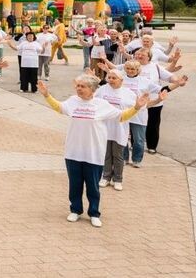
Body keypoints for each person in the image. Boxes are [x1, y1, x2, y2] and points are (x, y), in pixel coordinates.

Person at [36, 76, 155, 228]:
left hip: (94, 153)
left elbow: (121, 116)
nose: (79, 88)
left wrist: (136, 107)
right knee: (75, 184)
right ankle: (76, 210)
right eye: (78, 86)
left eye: (83, 86)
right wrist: (46, 95)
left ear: (92, 89)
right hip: (73, 151)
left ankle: (94, 213)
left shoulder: (101, 105)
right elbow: (59, 107)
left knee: (93, 186)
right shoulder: (73, 101)